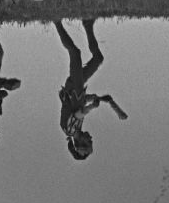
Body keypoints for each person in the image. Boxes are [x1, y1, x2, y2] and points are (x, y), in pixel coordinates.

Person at [54, 19, 128, 159]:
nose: (91, 138)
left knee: (75, 53)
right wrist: (94, 98)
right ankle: (87, 25)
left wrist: (92, 106)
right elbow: (79, 106)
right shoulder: (77, 128)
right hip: (78, 88)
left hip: (74, 87)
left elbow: (80, 112)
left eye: (88, 141)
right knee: (98, 59)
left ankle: (56, 22)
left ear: (80, 143)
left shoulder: (69, 130)